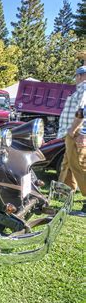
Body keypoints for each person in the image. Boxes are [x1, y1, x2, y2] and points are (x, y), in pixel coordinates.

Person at [57, 66, 86, 213]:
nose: (75, 78)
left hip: (77, 133)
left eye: (76, 75)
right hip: (73, 133)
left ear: (81, 76)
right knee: (68, 164)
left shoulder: (85, 89)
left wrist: (79, 132)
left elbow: (82, 112)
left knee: (80, 167)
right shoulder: (81, 89)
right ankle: (66, 193)